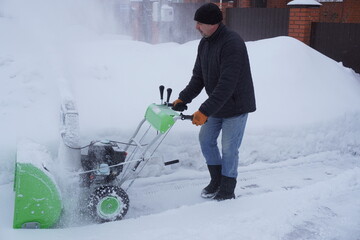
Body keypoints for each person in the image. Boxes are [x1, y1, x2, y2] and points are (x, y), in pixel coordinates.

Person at [172, 3, 256, 201]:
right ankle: (216, 179)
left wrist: (204, 110)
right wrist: (184, 98)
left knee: (229, 149)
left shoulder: (232, 43)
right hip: (217, 105)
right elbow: (198, 77)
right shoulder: (205, 43)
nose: (196, 27)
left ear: (213, 23)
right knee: (206, 140)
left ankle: (227, 188)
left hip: (236, 106)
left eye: (200, 23)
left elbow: (227, 85)